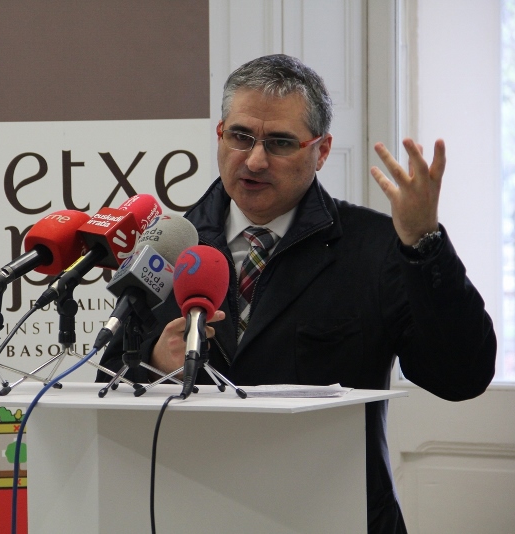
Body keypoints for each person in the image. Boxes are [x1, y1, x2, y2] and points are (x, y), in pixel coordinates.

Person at [97, 54, 496, 533]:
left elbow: (460, 376)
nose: (256, 159)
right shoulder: (169, 242)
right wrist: (154, 362)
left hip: (334, 516)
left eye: (280, 142)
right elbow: (108, 376)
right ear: (220, 134)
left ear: (321, 151)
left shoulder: (378, 247)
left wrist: (425, 243)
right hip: (191, 511)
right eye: (241, 136)